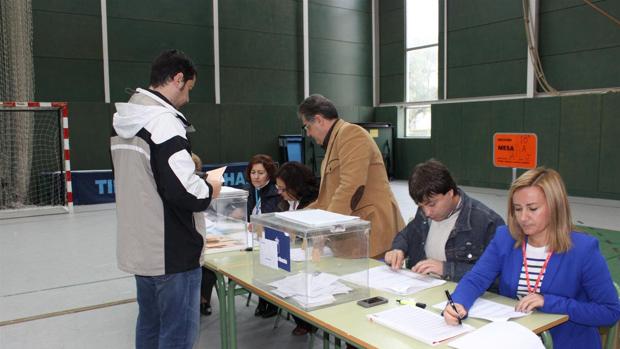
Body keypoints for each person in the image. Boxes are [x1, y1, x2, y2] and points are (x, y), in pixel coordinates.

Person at [111, 49, 222, 348]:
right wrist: (210, 187)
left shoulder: (125, 119)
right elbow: (184, 192)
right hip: (172, 253)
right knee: (177, 336)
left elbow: (149, 180)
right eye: (188, 89)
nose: (187, 97)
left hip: (141, 249)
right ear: (177, 79)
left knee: (149, 325)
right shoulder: (163, 122)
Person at [443, 167, 620, 349]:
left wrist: (548, 302)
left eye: (533, 209)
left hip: (564, 343)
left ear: (555, 207)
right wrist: (458, 302)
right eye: (517, 209)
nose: (523, 217)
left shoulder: (583, 249)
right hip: (517, 339)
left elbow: (610, 311)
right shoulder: (505, 238)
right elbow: (477, 278)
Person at [297, 94, 405, 258]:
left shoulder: (351, 134)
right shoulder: (334, 142)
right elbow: (326, 200)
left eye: (307, 127)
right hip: (356, 236)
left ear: (319, 120)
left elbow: (352, 187)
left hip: (374, 234)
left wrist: (324, 228)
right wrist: (293, 219)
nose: (308, 134)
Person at [384, 159, 504, 282]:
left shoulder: (488, 222)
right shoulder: (424, 213)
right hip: (422, 289)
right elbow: (407, 235)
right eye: (421, 206)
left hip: (462, 295)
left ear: (450, 193)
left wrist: (446, 269)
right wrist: (398, 250)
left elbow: (496, 274)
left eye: (432, 204)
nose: (427, 212)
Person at [274, 162, 319, 336]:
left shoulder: (314, 203)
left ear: (296, 186)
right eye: (278, 188)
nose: (280, 193)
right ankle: (302, 320)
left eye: (283, 189)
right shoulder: (286, 202)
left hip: (313, 258)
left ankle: (308, 321)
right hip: (293, 256)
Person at [246, 154, 281, 318]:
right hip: (253, 239)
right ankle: (262, 298)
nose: (256, 176)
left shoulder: (275, 193)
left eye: (261, 173)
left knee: (265, 264)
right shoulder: (251, 190)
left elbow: (273, 221)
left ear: (269, 174)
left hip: (271, 242)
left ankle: (271, 302)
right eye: (253, 172)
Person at [190, 153, 216, 317]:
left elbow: (213, 210)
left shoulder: (203, 186)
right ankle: (195, 300)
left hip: (207, 234)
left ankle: (203, 299)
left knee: (209, 269)